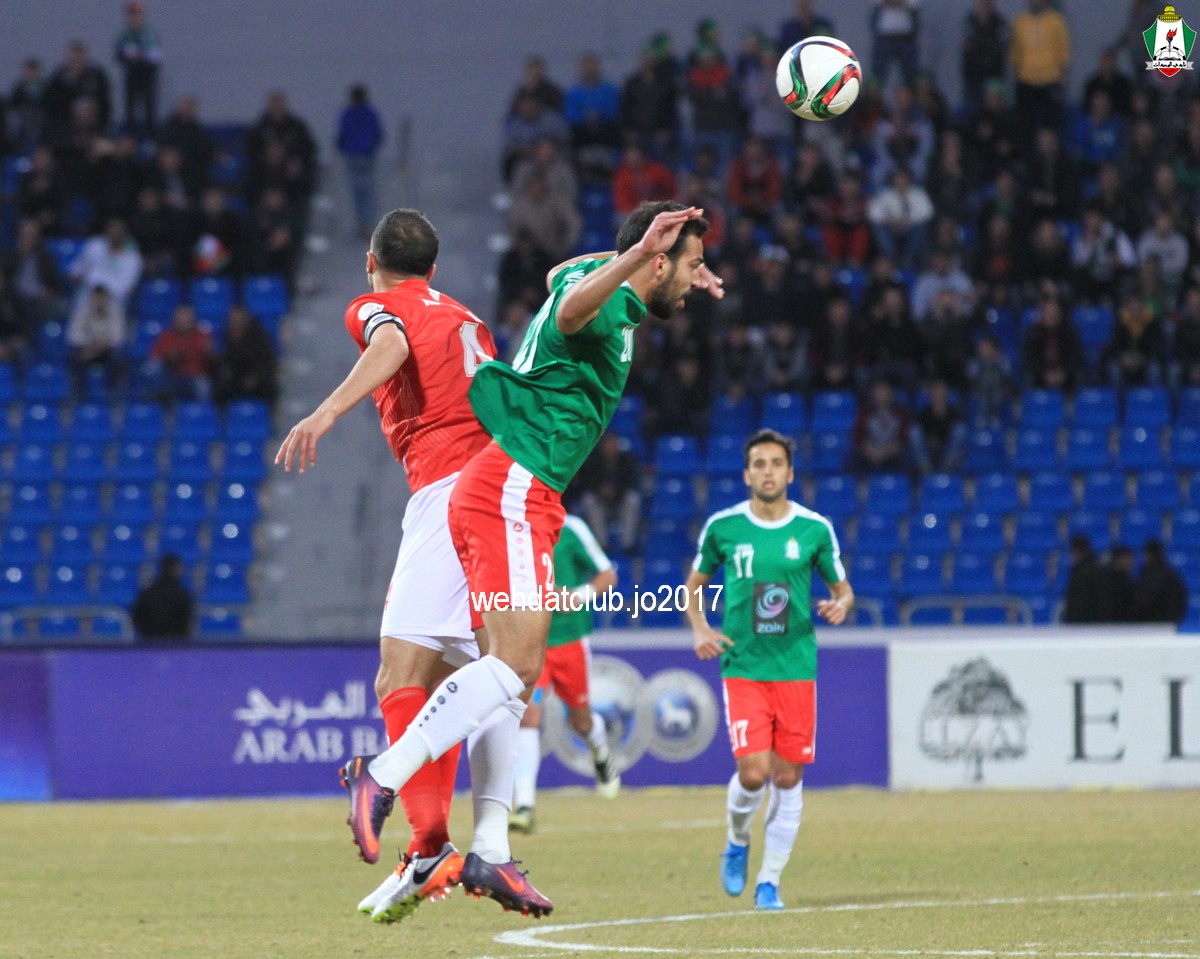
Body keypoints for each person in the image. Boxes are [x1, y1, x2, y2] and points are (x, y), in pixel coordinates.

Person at [336, 201, 717, 917]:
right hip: (510, 481)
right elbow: (570, 312)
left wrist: (655, 261)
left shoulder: (598, 282)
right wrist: (642, 256)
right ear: (657, 258)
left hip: (515, 487)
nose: (700, 278)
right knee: (507, 666)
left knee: (512, 675)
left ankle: (487, 850)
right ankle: (384, 775)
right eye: (692, 264)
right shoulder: (605, 304)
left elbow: (558, 277)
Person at [275, 209, 523, 924]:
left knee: (399, 673)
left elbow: (390, 341)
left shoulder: (376, 305)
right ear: (435, 268)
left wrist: (325, 412)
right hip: (500, 485)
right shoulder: (470, 318)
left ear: (370, 260)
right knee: (462, 675)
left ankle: (430, 843)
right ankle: (452, 847)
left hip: (450, 490)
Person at [684, 428, 854, 911]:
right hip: (744, 666)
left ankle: (769, 882)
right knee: (755, 773)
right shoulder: (723, 527)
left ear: (790, 473)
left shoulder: (814, 529)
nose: (768, 472)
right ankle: (738, 839)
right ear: (746, 474)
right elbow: (694, 585)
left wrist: (841, 605)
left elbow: (844, 590)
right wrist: (700, 628)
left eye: (776, 463)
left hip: (796, 668)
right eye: (759, 464)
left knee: (787, 777)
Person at [509, 514, 620, 833]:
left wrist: (577, 596)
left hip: (569, 640)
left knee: (581, 722)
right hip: (531, 642)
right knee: (528, 715)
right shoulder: (509, 525)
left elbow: (608, 575)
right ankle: (525, 806)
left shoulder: (570, 528)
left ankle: (601, 755)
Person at [573, 432, 643, 555]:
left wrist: (616, 491)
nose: (610, 447)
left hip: (621, 503)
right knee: (588, 500)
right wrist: (601, 491)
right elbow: (586, 484)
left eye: (613, 444)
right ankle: (602, 545)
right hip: (601, 503)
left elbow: (632, 483)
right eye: (608, 444)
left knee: (633, 499)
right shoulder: (594, 461)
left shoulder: (627, 460)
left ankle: (628, 544)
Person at [336, 84, 384, 240]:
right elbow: (378, 134)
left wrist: (343, 147)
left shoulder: (348, 113)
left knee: (356, 192)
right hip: (368, 157)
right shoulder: (371, 114)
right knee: (368, 192)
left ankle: (360, 225)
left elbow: (342, 135)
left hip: (352, 157)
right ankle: (366, 224)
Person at [114, 1, 162, 137]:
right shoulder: (125, 35)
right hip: (132, 77)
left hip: (147, 78)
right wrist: (128, 56)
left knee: (149, 109)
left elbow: (155, 57)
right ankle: (130, 138)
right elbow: (118, 54)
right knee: (130, 109)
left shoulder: (150, 34)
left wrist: (141, 57)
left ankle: (152, 138)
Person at [66, 283, 125, 393]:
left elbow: (117, 337)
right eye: (96, 298)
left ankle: (113, 394)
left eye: (102, 298)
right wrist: (91, 343)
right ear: (91, 299)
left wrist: (100, 346)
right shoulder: (82, 312)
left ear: (107, 299)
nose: (99, 301)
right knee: (73, 359)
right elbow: (74, 336)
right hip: (87, 349)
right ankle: (78, 393)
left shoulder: (115, 313)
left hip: (107, 350)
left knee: (119, 359)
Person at [131, 554, 194, 641]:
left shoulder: (147, 593)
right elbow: (187, 622)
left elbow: (137, 617)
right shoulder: (182, 595)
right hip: (175, 643)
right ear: (175, 569)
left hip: (149, 642)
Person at [1134, 540, 1188, 624]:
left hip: (1152, 624)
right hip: (1170, 622)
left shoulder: (1150, 576)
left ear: (1148, 555)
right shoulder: (1172, 575)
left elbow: (1142, 602)